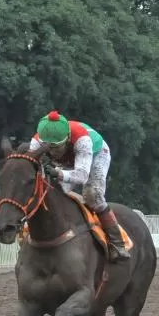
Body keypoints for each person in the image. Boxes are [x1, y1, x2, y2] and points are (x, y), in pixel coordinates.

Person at [30, 110, 131, 262]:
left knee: (92, 195)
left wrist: (59, 173)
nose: (51, 152)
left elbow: (82, 176)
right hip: (67, 162)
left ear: (68, 138)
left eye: (56, 147)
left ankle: (117, 243)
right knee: (51, 194)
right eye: (47, 148)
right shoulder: (36, 141)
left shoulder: (82, 140)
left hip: (97, 154)